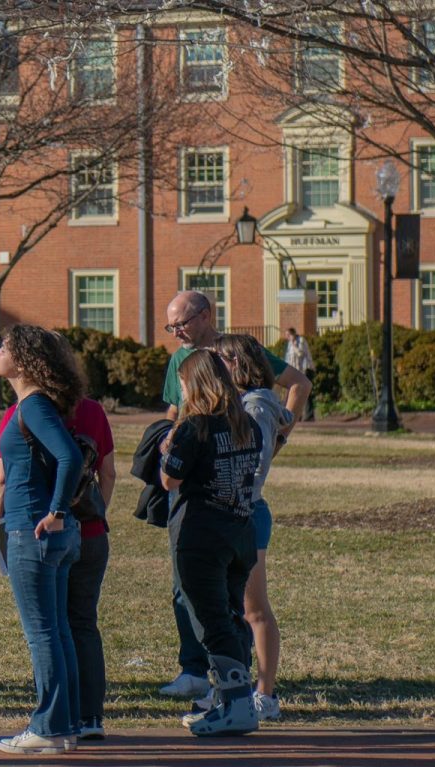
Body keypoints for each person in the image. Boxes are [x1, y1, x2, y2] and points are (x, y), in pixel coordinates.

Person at [158, 290, 310, 699]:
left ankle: (246, 684)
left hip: (232, 501)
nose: (175, 334)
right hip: (194, 484)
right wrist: (170, 439)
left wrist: (277, 440)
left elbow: (297, 384)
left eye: (181, 324)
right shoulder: (180, 361)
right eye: (170, 327)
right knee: (187, 583)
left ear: (206, 315)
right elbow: (177, 412)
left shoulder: (244, 366)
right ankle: (196, 668)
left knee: (243, 600)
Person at [0, 394, 115, 739]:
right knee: (81, 624)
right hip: (89, 531)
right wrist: (93, 513)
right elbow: (108, 472)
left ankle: (56, 721)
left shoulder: (24, 410)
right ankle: (89, 718)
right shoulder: (93, 409)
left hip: (41, 529)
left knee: (48, 631)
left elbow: (2, 479)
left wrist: (1, 529)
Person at [160, 349, 263, 736]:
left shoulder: (195, 427)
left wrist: (166, 452)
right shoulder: (245, 424)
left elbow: (170, 480)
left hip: (200, 536)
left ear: (195, 384)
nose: (182, 391)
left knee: (210, 620)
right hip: (239, 530)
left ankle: (236, 704)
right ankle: (233, 698)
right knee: (233, 614)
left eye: (184, 384)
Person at [0, 325, 84, 755]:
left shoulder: (34, 406)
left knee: (43, 633)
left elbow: (71, 456)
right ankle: (63, 725)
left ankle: (48, 726)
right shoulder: (34, 405)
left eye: (5, 348)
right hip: (44, 535)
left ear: (25, 361)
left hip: (34, 532)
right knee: (58, 631)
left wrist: (57, 512)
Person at [211, 334, 293, 723]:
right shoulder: (234, 404)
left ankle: (266, 693)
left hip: (246, 511)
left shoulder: (257, 405)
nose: (215, 367)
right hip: (227, 513)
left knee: (253, 608)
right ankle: (234, 688)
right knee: (230, 608)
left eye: (221, 360)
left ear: (238, 363)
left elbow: (255, 463)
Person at [283, 328, 315, 420]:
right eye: (286, 336)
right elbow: (288, 358)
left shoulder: (300, 340)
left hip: (306, 369)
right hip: (296, 370)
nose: (287, 337)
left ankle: (309, 416)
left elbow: (300, 354)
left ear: (293, 334)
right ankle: (296, 415)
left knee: (306, 392)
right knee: (294, 392)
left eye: (288, 335)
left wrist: (294, 343)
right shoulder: (289, 344)